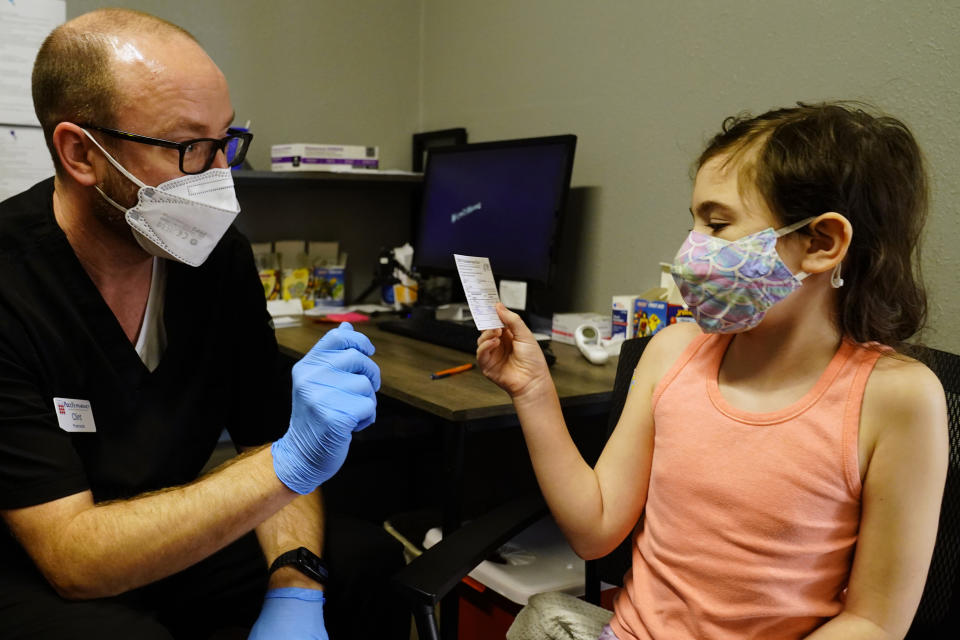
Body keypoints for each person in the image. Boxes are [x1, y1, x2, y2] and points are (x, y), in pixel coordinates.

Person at [0, 8, 400, 639]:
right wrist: (292, 459)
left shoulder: (215, 259)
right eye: (189, 147)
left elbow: (262, 435)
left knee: (364, 564)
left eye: (226, 141)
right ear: (81, 152)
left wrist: (294, 589)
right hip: (38, 561)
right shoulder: (11, 286)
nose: (220, 178)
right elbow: (70, 557)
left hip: (169, 532)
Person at [480, 102, 949, 639]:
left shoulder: (897, 399)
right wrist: (533, 389)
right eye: (695, 222)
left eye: (717, 224)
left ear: (821, 244)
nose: (688, 252)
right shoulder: (672, 351)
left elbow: (873, 621)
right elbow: (595, 529)